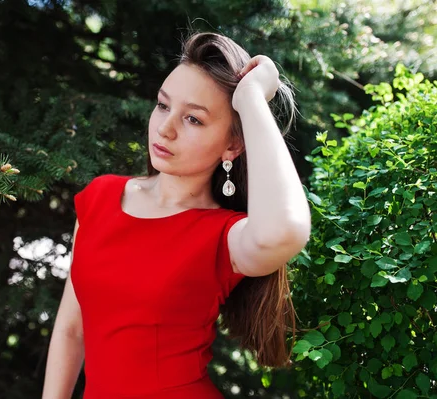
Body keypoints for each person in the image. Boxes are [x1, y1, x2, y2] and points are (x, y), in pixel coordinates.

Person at [41, 32, 311, 399]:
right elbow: (72, 330)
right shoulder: (100, 198)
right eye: (163, 106)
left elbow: (288, 229)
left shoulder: (224, 237)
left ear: (233, 144)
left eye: (194, 120)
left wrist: (250, 99)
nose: (165, 128)